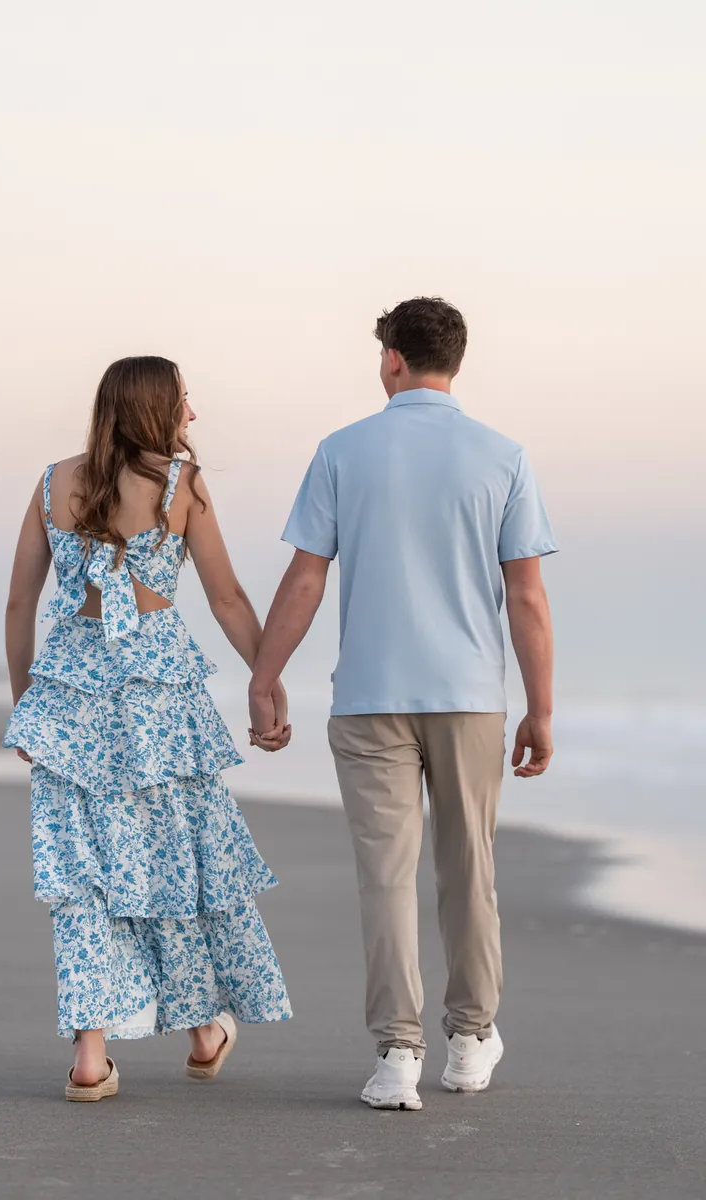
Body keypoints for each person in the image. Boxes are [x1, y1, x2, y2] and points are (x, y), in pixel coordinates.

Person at [248, 297, 556, 1111]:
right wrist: (541, 708)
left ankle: (396, 1054)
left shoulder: (343, 451)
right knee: (469, 870)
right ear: (455, 360)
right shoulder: (503, 456)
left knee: (385, 878)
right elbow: (525, 598)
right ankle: (468, 1039)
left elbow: (307, 577)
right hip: (468, 699)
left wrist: (264, 674)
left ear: (392, 359)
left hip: (369, 699)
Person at [4, 356, 292, 1102]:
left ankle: (91, 1059)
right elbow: (226, 597)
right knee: (172, 862)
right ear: (155, 410)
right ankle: (201, 1033)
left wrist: (26, 708)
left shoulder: (50, 484)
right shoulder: (181, 487)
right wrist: (267, 681)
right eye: (184, 402)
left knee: (85, 877)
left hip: (69, 693)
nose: (192, 416)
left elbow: (19, 607)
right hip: (160, 699)